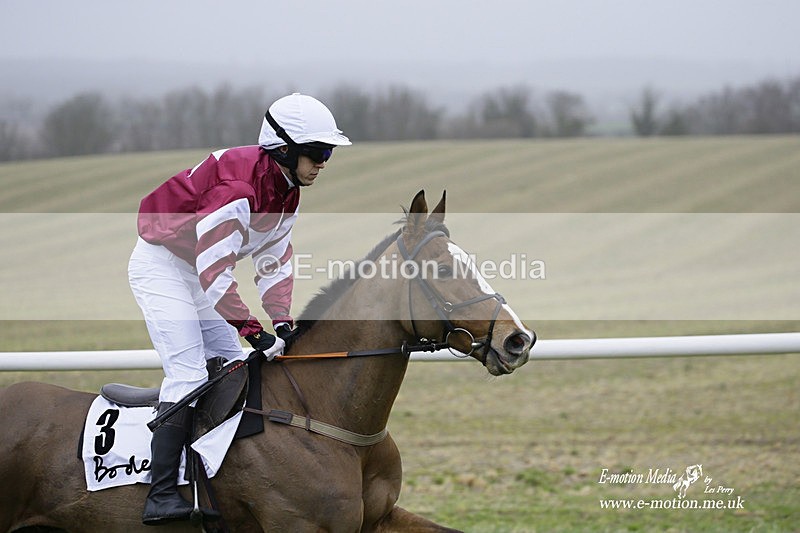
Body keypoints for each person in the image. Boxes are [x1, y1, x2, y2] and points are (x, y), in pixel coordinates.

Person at [128, 93, 351, 525]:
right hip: (162, 263)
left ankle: (216, 476)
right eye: (318, 152)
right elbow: (215, 270)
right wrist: (253, 330)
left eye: (329, 153)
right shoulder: (238, 189)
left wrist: (282, 321)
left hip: (195, 267)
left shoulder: (287, 190)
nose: (324, 162)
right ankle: (159, 493)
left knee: (233, 367)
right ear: (284, 150)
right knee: (189, 373)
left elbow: (275, 260)